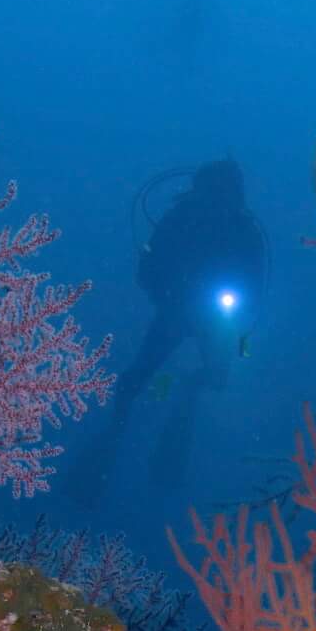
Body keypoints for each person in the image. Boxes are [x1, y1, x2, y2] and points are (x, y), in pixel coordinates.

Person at [77, 158, 267, 490]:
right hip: (180, 310)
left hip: (206, 316)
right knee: (144, 374)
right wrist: (170, 291)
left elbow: (253, 279)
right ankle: (114, 439)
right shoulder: (187, 218)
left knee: (202, 377)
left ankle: (169, 412)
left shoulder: (240, 226)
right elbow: (149, 268)